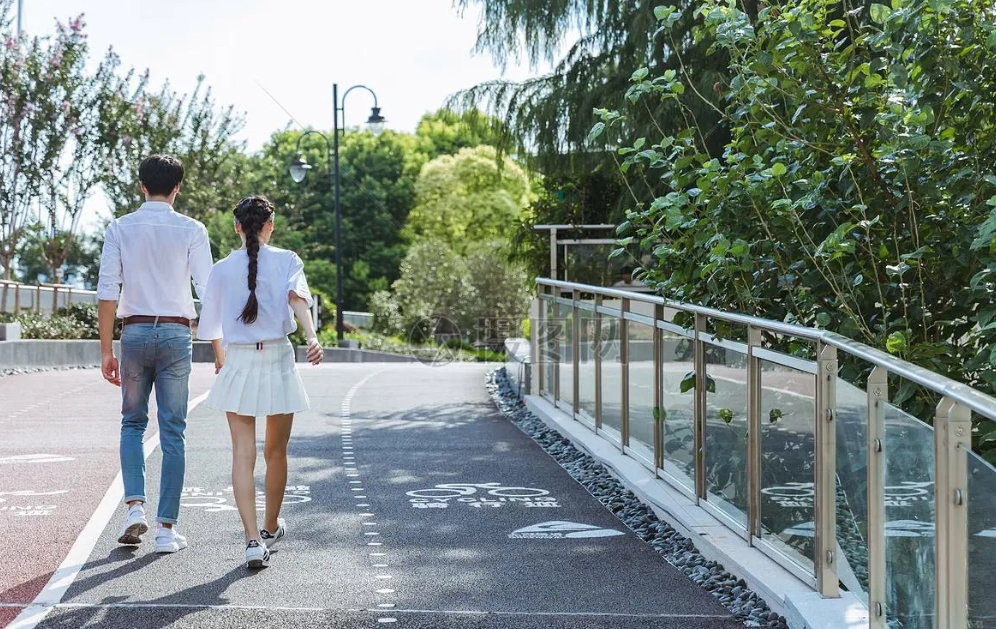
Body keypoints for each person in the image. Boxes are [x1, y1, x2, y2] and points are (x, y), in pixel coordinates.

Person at [196, 195, 323, 569]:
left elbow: (211, 328)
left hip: (239, 360)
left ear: (237, 226)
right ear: (271, 225)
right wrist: (312, 338)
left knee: (242, 454)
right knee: (276, 452)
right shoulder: (288, 260)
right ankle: (270, 526)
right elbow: (298, 300)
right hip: (279, 358)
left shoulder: (220, 269)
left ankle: (252, 539)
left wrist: (223, 359)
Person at [97, 154, 213, 553]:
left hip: (134, 333)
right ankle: (166, 530)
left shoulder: (120, 228)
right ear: (177, 187)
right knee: (173, 431)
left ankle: (134, 508)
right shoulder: (192, 229)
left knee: (132, 423)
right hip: (177, 336)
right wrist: (218, 344)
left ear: (141, 185)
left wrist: (106, 351)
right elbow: (208, 288)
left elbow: (107, 293)